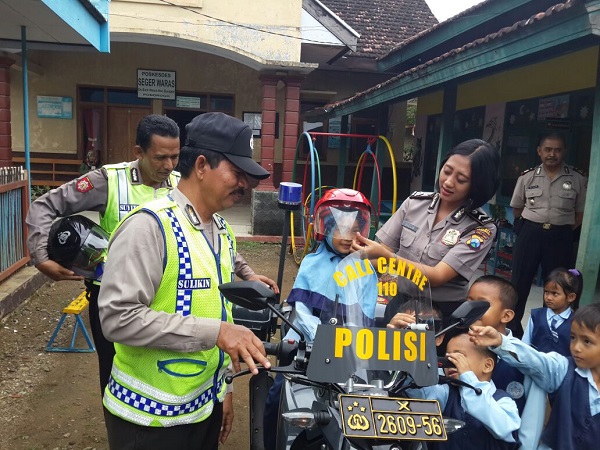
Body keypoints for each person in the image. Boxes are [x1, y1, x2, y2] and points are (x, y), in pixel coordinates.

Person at [26, 113, 276, 396]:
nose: (169, 165)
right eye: (160, 157)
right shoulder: (109, 181)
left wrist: (246, 273)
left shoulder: (184, 184)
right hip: (113, 290)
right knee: (114, 370)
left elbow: (212, 244)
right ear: (139, 152)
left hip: (166, 295)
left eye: (174, 156)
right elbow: (45, 205)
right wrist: (42, 257)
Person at [97, 112, 273, 449]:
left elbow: (220, 312)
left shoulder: (221, 231)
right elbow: (118, 318)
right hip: (148, 421)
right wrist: (217, 333)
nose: (245, 185)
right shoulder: (149, 227)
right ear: (202, 165)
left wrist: (225, 392)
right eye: (236, 173)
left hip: (201, 408)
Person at [264, 188, 377, 450]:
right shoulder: (311, 264)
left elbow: (365, 318)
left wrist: (348, 343)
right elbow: (301, 311)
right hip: (307, 346)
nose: (348, 238)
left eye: (354, 230)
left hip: (349, 351)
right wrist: (321, 338)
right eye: (340, 229)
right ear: (324, 229)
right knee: (277, 396)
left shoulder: (366, 269)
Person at [352, 139, 500, 320]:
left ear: (478, 185)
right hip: (401, 304)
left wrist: (387, 257)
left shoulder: (480, 228)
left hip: (440, 313)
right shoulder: (415, 204)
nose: (448, 182)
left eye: (461, 180)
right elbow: (381, 254)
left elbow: (437, 276)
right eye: (446, 171)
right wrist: (348, 262)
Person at [469, 302, 600, 450]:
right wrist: (501, 341)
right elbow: (536, 360)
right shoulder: (564, 369)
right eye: (573, 338)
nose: (576, 347)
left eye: (587, 341)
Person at [509, 132, 587, 338]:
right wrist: (526, 230)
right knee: (519, 282)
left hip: (560, 237)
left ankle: (548, 332)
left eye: (558, 150)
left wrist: (561, 231)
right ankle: (513, 330)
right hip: (530, 234)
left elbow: (580, 213)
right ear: (539, 151)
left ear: (564, 152)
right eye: (548, 149)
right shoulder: (527, 177)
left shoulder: (577, 178)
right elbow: (517, 208)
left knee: (557, 284)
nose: (552, 154)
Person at [467, 275, 548, 449]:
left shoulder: (527, 361)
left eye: (481, 304)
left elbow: (531, 423)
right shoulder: (460, 345)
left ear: (507, 315)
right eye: (469, 302)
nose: (471, 309)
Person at [407, 332, 520, 449]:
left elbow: (503, 429)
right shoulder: (446, 393)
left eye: (458, 357)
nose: (449, 363)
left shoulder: (503, 401)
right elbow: (414, 393)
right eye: (447, 358)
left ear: (487, 365)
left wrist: (467, 377)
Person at [522, 268, 583, 356]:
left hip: (563, 368)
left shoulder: (576, 322)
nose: (548, 297)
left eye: (555, 293)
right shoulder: (536, 316)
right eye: (546, 292)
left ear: (570, 297)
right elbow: (525, 345)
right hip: (535, 366)